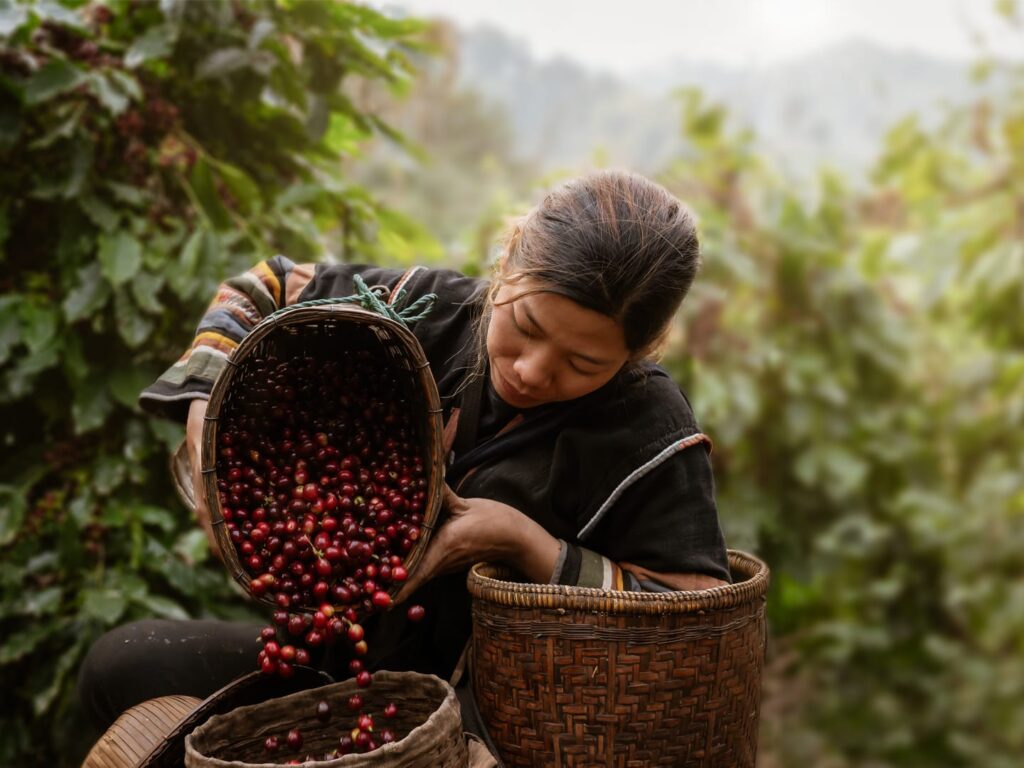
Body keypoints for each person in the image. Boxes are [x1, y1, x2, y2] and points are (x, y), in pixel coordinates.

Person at [78, 169, 730, 733]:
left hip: (496, 717)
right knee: (119, 667)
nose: (532, 369)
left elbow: (692, 613)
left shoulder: (648, 430)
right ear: (506, 265)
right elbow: (264, 287)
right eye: (524, 326)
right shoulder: (431, 309)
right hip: (340, 662)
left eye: (584, 362)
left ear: (637, 353)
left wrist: (527, 544)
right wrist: (205, 398)